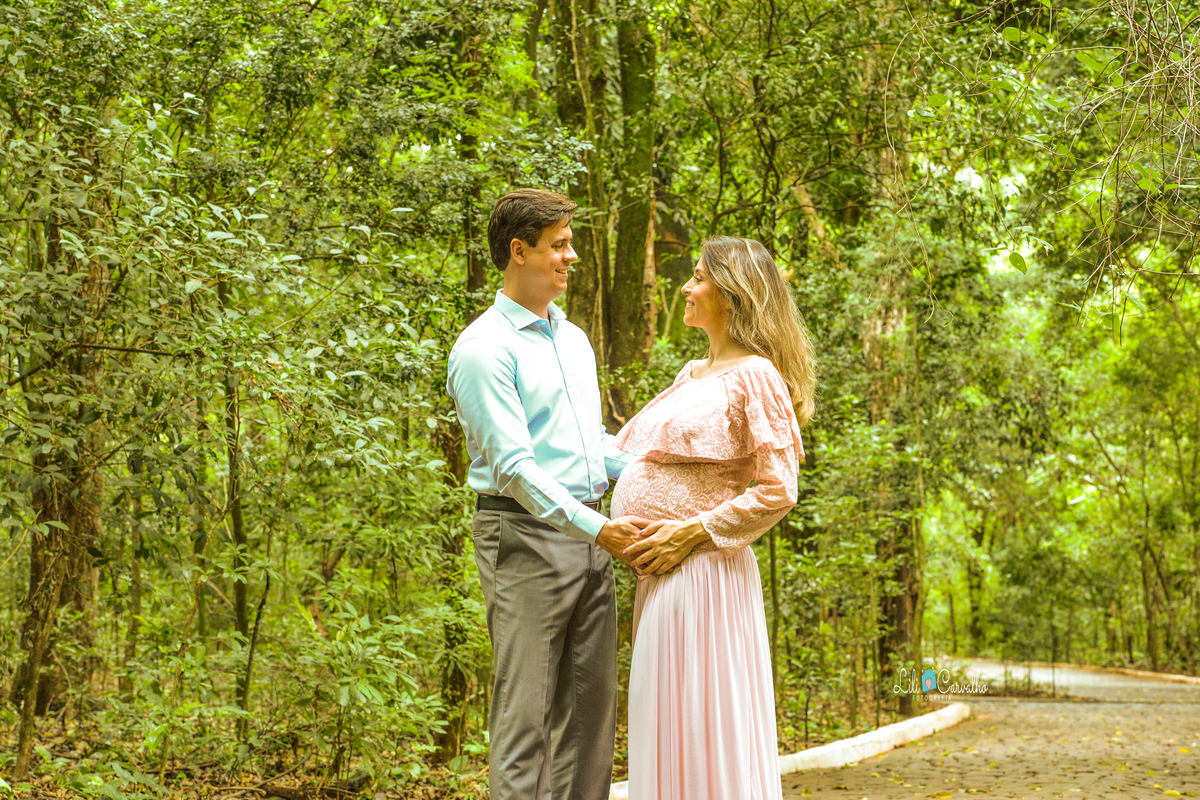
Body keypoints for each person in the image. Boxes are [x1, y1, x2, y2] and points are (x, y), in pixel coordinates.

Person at [446, 188, 650, 800]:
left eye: (570, 244)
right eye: (559, 246)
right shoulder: (483, 349)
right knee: (525, 720)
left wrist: (664, 468)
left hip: (590, 536)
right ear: (519, 251)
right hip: (525, 537)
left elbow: (593, 449)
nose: (572, 256)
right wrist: (597, 529)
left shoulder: (574, 339)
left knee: (591, 720)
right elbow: (512, 467)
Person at [615, 236, 816, 800]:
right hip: (662, 577)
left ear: (732, 294)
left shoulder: (756, 375)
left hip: (704, 575)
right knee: (665, 720)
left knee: (703, 722)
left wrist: (694, 532)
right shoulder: (691, 373)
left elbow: (779, 490)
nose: (685, 286)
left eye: (698, 277)